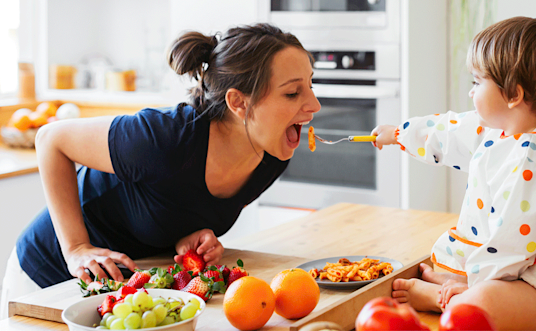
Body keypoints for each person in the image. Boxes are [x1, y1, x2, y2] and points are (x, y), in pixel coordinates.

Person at [0, 23, 320, 318]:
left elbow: (170, 201)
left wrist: (188, 235)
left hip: (125, 288)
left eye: (310, 84)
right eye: (292, 93)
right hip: (48, 276)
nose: (315, 104)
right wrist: (76, 249)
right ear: (238, 103)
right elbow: (50, 139)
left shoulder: (272, 156)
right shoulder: (163, 137)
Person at [371, 17, 536, 330]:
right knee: (459, 269)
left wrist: (476, 287)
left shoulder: (533, 162)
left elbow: (513, 245)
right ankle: (454, 290)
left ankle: (445, 297)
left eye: (477, 83)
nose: (471, 93)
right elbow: (449, 131)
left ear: (513, 95)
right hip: (517, 265)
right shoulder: (499, 128)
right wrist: (400, 134)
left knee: (479, 306)